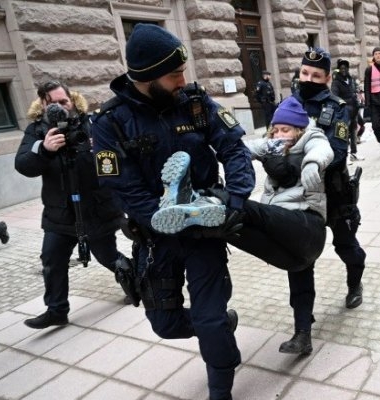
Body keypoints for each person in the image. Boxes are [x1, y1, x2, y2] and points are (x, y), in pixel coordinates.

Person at [90, 24, 255, 400]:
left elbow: (233, 148)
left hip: (205, 233)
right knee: (165, 325)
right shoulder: (109, 123)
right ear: (147, 77)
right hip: (156, 239)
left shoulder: (195, 103)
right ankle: (221, 328)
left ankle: (221, 386)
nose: (184, 79)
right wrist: (165, 218)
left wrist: (235, 198)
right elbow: (122, 187)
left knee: (209, 318)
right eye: (174, 74)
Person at [150, 97, 333, 273]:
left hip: (308, 231)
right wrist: (202, 151)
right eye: (275, 130)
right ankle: (189, 209)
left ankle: (204, 199)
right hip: (288, 254)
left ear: (299, 130)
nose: (279, 135)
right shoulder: (271, 146)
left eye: (285, 130)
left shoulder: (311, 139)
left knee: (244, 208)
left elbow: (322, 149)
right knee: (229, 225)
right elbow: (242, 149)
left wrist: (312, 163)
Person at [14, 80, 128, 330]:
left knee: (108, 256)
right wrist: (44, 150)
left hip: (96, 208)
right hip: (60, 212)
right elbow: (23, 165)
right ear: (42, 105)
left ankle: (137, 286)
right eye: (52, 104)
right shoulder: (37, 131)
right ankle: (56, 311)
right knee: (52, 259)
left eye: (63, 102)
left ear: (73, 100)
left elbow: (116, 158)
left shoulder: (91, 124)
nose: (59, 108)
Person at [290, 47, 367, 353]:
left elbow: (336, 153)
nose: (308, 79)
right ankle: (302, 330)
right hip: (300, 197)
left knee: (346, 247)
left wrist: (297, 161)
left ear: (327, 78)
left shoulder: (338, 108)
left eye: (316, 75)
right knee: (299, 259)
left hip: (335, 194)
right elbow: (276, 140)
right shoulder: (290, 104)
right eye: (304, 73)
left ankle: (354, 281)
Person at [331, 59, 365, 160]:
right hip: (344, 112)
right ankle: (343, 157)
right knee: (343, 135)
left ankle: (353, 153)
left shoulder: (350, 79)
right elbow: (334, 96)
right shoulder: (336, 82)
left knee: (353, 132)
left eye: (345, 68)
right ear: (339, 70)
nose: (343, 70)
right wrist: (343, 106)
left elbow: (354, 92)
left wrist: (356, 98)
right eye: (341, 68)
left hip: (354, 111)